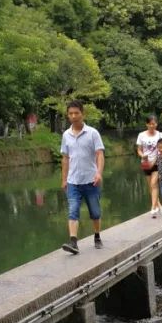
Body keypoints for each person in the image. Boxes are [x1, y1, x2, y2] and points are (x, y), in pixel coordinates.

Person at [59, 100, 105, 254]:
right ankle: (73, 242)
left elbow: (99, 154)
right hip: (73, 182)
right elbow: (65, 158)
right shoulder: (66, 135)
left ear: (82, 114)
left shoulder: (92, 133)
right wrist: (64, 179)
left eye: (76, 113)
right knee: (73, 211)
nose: (73, 116)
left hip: (91, 181)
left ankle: (97, 236)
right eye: (70, 113)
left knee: (95, 213)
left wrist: (98, 172)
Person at [136, 115, 162, 218]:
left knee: (154, 183)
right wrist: (142, 155)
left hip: (158, 162)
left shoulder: (160, 135)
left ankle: (153, 207)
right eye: (150, 124)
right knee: (150, 186)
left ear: (156, 124)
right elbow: (139, 149)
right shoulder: (141, 135)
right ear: (147, 124)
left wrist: (155, 160)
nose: (152, 126)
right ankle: (157, 204)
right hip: (145, 162)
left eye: (154, 124)